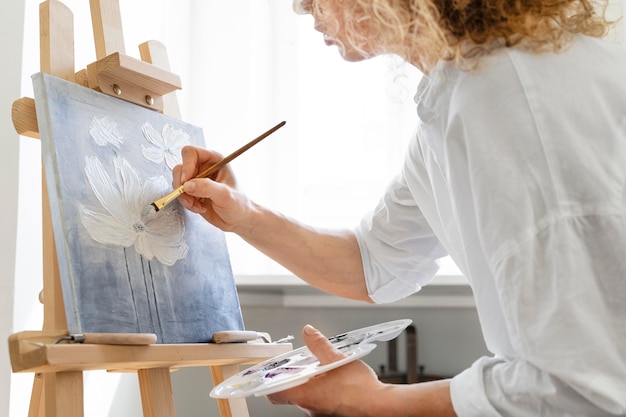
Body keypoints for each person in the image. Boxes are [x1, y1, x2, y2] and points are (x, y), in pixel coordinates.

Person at [173, 0, 626, 415]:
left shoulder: (509, 94)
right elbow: (373, 263)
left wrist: (371, 401)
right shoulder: (459, 96)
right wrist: (245, 216)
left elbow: (581, 387)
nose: (300, 6)